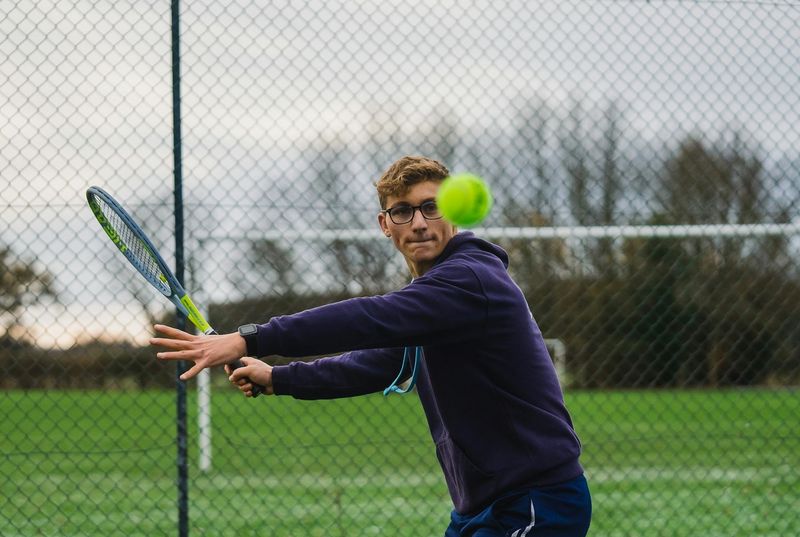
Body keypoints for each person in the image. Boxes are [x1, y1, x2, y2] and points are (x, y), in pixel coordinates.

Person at [151, 155, 592, 536]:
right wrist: (277, 378)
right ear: (385, 225)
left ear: (452, 214)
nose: (418, 223)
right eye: (402, 212)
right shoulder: (434, 303)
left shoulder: (470, 280)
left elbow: (369, 318)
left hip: (536, 500)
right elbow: (374, 364)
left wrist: (251, 337)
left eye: (430, 208)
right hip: (482, 506)